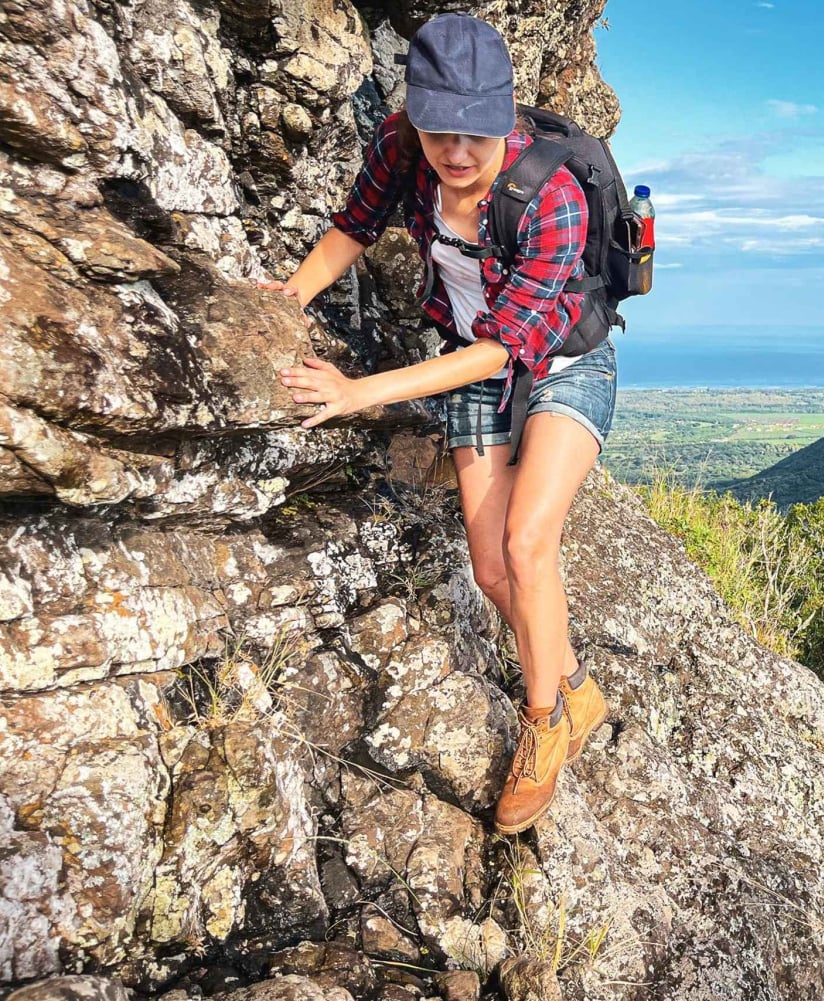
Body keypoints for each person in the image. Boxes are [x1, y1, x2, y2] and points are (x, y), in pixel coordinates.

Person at [258, 13, 613, 835]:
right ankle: (577, 689)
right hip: (466, 351)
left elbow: (503, 350)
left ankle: (545, 724)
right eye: (439, 131)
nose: (456, 152)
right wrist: (289, 298)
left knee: (529, 544)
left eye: (476, 134)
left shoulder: (552, 197)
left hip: (560, 363)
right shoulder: (397, 147)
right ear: (414, 115)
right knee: (493, 573)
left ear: (506, 117)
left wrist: (359, 391)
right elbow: (355, 225)